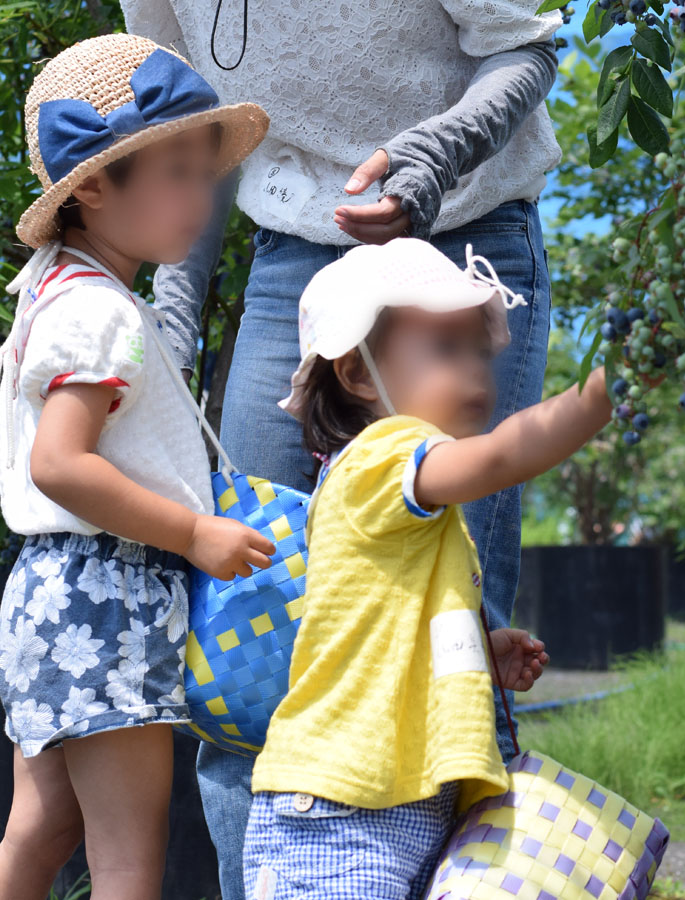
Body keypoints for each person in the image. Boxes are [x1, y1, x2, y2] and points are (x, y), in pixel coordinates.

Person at [116, 4, 562, 894]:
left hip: (458, 242)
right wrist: (172, 326)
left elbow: (525, 47)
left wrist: (435, 155)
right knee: (246, 645)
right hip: (298, 261)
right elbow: (192, 131)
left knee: (454, 640)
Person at [242, 237, 619, 900]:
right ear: (358, 374)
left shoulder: (403, 498)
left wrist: (477, 655)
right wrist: (601, 393)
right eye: (446, 349)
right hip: (339, 810)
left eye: (479, 352)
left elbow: (393, 624)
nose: (477, 373)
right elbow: (501, 457)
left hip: (395, 799)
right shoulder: (381, 456)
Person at [0, 35, 272, 900]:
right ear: (90, 187)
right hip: (108, 594)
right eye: (178, 173)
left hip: (50, 590)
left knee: (43, 825)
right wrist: (192, 531)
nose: (201, 197)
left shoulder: (56, 290)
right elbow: (60, 464)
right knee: (126, 857)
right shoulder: (103, 312)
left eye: (206, 174)